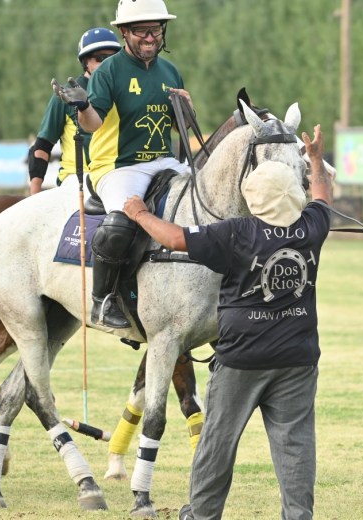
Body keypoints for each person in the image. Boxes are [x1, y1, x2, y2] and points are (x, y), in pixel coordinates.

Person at [123, 125, 330, 520]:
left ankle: (201, 515)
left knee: (217, 443)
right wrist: (315, 159)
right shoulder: (312, 227)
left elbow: (177, 239)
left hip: (241, 361)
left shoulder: (238, 233)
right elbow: (322, 194)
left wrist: (140, 213)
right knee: (297, 446)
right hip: (298, 360)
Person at [53, 0, 192, 328]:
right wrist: (82, 105)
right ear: (125, 32)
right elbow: (93, 124)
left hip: (164, 161)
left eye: (155, 29)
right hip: (117, 166)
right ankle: (103, 299)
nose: (150, 37)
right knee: (121, 222)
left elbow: (179, 126)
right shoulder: (109, 71)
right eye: (142, 30)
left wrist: (188, 109)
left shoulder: (170, 71)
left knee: (205, 196)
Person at [28, 27, 122, 195]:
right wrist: (33, 198)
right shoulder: (65, 96)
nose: (108, 63)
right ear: (86, 62)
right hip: (78, 180)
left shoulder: (124, 92)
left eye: (113, 58)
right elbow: (42, 147)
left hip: (118, 174)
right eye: (100, 58)